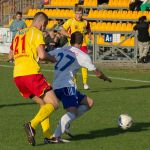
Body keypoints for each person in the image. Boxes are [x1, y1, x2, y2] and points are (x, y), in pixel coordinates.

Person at [48, 31, 112, 143]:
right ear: (82, 42)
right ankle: (55, 136)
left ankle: (66, 124)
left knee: (89, 102)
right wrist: (105, 78)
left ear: (70, 40)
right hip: (67, 86)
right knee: (72, 112)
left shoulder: (61, 49)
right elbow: (97, 73)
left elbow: (45, 55)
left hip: (56, 85)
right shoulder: (83, 56)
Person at [9, 12, 59, 146]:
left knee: (44, 104)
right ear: (42, 24)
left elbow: (11, 54)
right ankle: (32, 125)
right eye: (45, 26)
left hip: (18, 77)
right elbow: (42, 55)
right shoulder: (36, 32)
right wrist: (53, 59)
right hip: (31, 74)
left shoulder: (19, 33)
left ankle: (49, 136)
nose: (43, 28)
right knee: (54, 103)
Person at [61, 5, 91, 90]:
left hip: (83, 44)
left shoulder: (85, 22)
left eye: (80, 13)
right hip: (73, 45)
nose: (79, 15)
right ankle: (74, 83)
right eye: (77, 13)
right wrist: (70, 35)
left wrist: (88, 35)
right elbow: (62, 30)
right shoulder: (70, 21)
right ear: (75, 14)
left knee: (84, 63)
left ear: (82, 14)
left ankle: (85, 83)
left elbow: (89, 30)